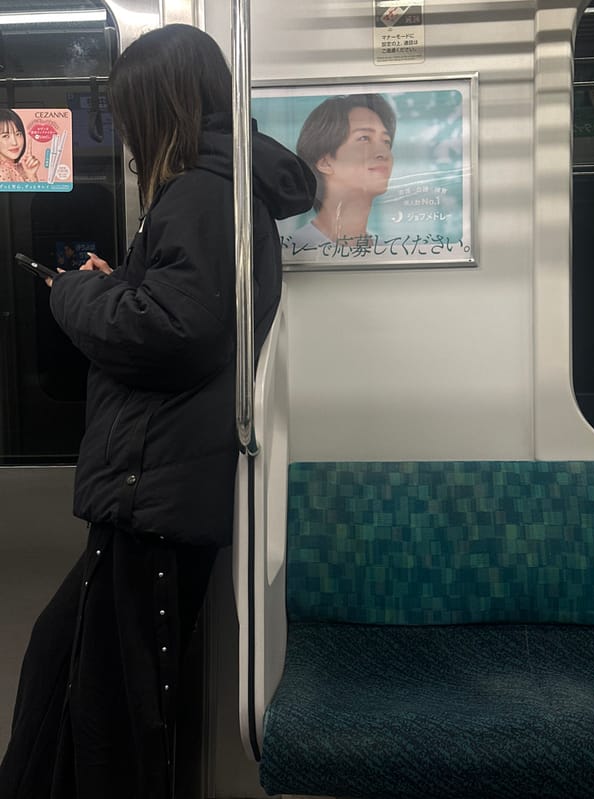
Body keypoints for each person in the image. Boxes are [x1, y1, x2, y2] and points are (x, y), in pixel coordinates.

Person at [0, 23, 314, 799]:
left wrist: (75, 294)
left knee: (114, 711)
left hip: (156, 491)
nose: (128, 135)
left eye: (130, 113)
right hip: (155, 483)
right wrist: (118, 285)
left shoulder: (201, 194)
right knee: (65, 671)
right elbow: (181, 311)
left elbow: (174, 334)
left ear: (162, 106)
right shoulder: (211, 191)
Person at [292, 93, 395, 249]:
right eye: (364, 138)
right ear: (325, 162)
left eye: (386, 141)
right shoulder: (294, 248)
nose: (384, 153)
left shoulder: (389, 251)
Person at [0, 109, 40, 183]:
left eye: (18, 134)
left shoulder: (21, 168)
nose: (14, 142)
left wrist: (31, 175)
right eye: (5, 136)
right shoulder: (2, 172)